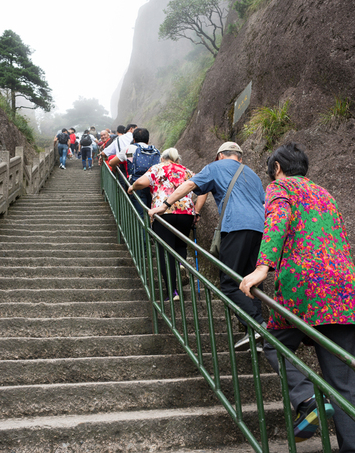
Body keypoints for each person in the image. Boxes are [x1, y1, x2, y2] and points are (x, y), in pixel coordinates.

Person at [240, 142, 355, 453]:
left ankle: (308, 399)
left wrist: (262, 268)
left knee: (274, 342)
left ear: (278, 167)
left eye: (271, 171)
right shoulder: (326, 195)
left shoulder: (281, 188)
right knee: (346, 386)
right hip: (342, 292)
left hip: (301, 287)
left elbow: (278, 221)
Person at [149, 141, 265, 342]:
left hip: (236, 226)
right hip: (261, 229)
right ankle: (256, 335)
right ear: (240, 158)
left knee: (229, 284)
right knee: (251, 282)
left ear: (220, 156)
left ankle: (259, 327)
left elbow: (190, 184)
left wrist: (165, 205)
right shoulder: (252, 174)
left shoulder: (215, 167)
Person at [129, 147, 196, 301]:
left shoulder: (157, 168)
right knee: (180, 245)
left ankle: (173, 292)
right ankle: (182, 262)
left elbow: (141, 182)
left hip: (163, 213)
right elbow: (202, 188)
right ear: (177, 159)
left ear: (162, 158)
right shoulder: (186, 170)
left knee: (165, 253)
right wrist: (196, 209)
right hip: (186, 213)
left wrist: (133, 187)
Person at [110, 128, 160, 219]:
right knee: (152, 214)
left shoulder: (129, 149)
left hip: (137, 185)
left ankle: (142, 233)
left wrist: (114, 168)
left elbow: (112, 162)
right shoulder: (154, 150)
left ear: (134, 139)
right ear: (148, 140)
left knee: (141, 215)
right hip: (153, 185)